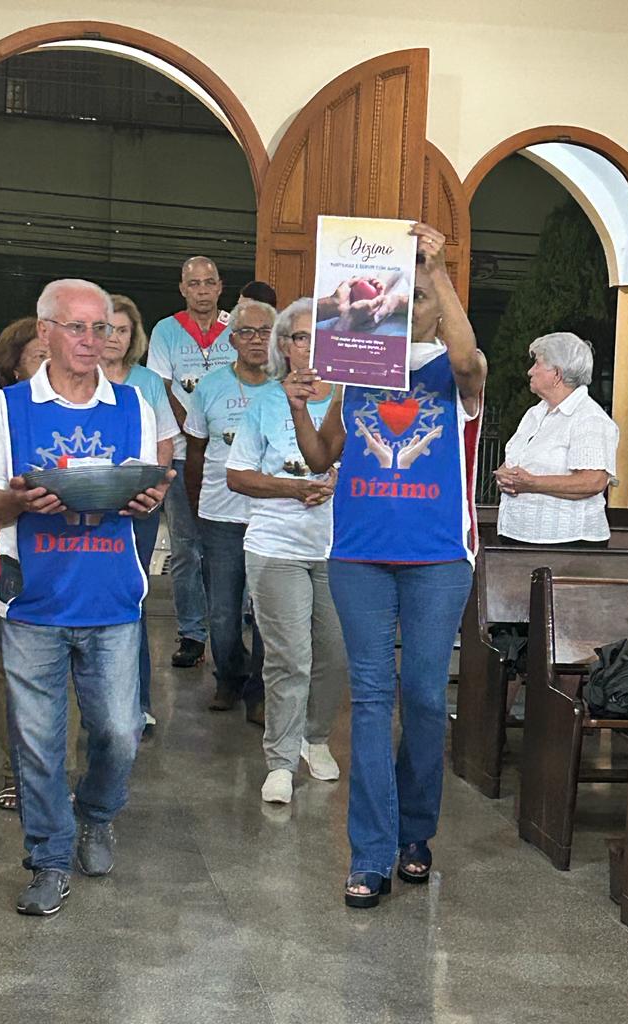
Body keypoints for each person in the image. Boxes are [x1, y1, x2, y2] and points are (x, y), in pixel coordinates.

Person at [284, 225, 487, 907]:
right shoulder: (357, 373)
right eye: (407, 294)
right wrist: (296, 405)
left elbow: (466, 355)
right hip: (360, 557)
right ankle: (369, 853)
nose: (411, 304)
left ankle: (415, 834)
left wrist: (437, 267)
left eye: (420, 297)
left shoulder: (457, 377)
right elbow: (320, 457)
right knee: (370, 702)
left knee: (426, 698)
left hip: (437, 559)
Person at [0, 278, 174, 917]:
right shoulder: (8, 409)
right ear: (46, 333)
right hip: (32, 600)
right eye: (79, 328)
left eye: (104, 328)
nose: (94, 341)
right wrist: (20, 500)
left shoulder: (133, 408)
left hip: (113, 596)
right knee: (36, 742)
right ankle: (48, 857)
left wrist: (148, 498)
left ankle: (98, 813)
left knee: (117, 731)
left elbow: (146, 489)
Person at [0, 316, 81, 811]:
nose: (54, 366)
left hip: (70, 567)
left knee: (62, 676)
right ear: (12, 365)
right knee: (7, 677)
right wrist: (13, 514)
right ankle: (16, 774)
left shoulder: (83, 414)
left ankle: (56, 777)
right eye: (39, 358)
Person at [227, 298, 345, 804]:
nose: (309, 346)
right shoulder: (266, 403)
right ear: (284, 347)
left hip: (339, 549)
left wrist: (340, 478)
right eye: (299, 337)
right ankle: (278, 760)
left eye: (318, 337)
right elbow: (237, 475)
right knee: (289, 658)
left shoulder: (349, 398)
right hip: (276, 546)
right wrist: (293, 488)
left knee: (335, 656)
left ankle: (314, 739)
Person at [493, 332, 619, 707]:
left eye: (538, 364)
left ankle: (555, 722)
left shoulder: (588, 418)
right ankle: (498, 723)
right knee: (511, 636)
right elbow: (520, 462)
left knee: (560, 639)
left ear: (558, 373)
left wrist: (530, 482)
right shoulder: (536, 414)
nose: (531, 371)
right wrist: (507, 474)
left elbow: (593, 480)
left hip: (567, 545)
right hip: (520, 540)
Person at [184, 300, 277, 727]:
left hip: (273, 516)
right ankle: (229, 676)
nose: (257, 340)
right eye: (248, 332)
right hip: (220, 514)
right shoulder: (210, 386)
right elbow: (196, 452)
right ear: (233, 339)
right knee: (221, 612)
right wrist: (194, 506)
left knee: (265, 612)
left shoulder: (287, 389)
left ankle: (258, 690)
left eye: (266, 332)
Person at [147, 256, 234, 669]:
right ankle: (192, 635)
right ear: (182, 288)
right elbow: (161, 385)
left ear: (220, 288)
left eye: (209, 283)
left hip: (229, 458)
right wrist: (194, 427)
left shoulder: (237, 329)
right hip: (184, 454)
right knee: (185, 549)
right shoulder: (166, 330)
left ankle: (228, 634)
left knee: (226, 549)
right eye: (194, 284)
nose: (202, 291)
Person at [101, 294, 179, 725]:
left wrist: (154, 491)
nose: (113, 337)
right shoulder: (78, 375)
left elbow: (165, 442)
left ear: (135, 337)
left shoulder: (148, 382)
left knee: (134, 597)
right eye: (106, 327)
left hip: (137, 508)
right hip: (83, 507)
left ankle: (138, 703)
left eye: (123, 330)